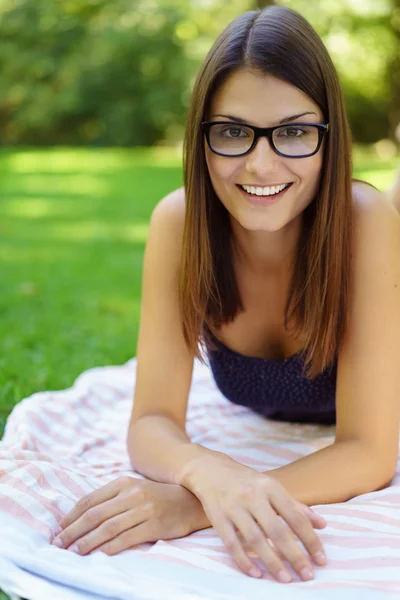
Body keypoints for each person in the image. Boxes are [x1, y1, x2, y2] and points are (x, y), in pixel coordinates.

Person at [50, 5, 400, 585]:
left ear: (329, 137)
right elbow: (153, 421)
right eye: (234, 132)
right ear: (202, 137)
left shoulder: (365, 222)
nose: (261, 164)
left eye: (293, 132)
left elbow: (369, 451)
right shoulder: (179, 225)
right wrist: (207, 470)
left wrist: (195, 504)